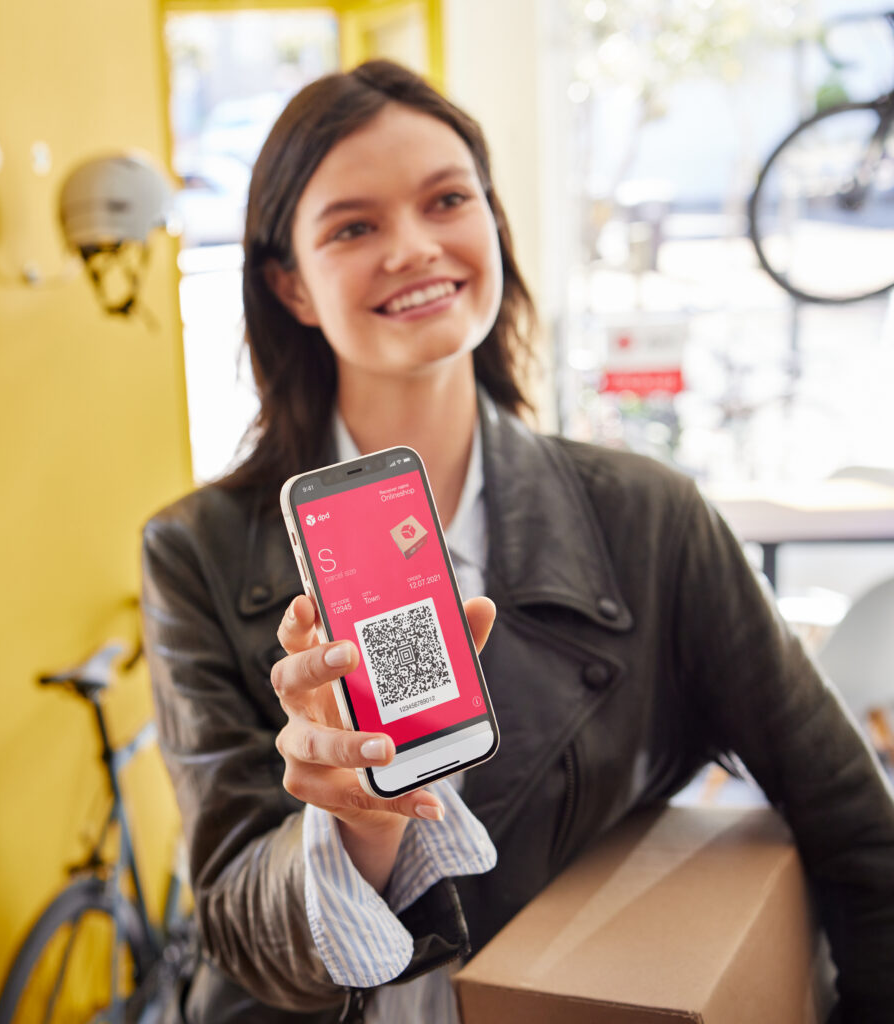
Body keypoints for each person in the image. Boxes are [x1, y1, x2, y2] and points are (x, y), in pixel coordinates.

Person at [140, 59, 894, 1024]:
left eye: (447, 199)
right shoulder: (193, 551)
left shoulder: (651, 519)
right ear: (290, 284)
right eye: (354, 226)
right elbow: (237, 924)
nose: (413, 246)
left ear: (493, 221)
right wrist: (356, 826)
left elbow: (853, 825)